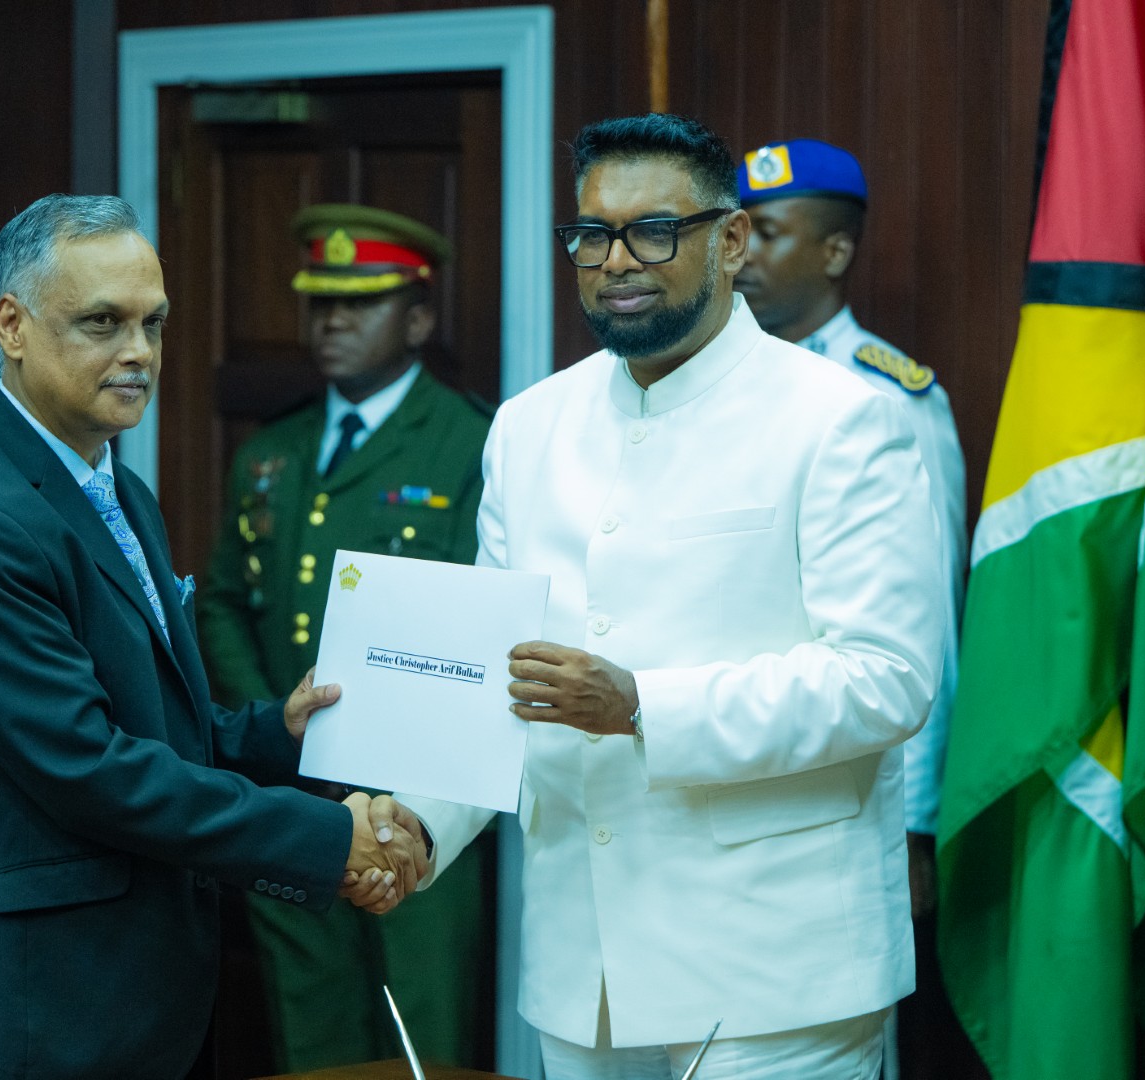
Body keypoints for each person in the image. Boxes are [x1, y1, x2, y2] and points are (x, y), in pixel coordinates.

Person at [388, 114, 945, 1079]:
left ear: (730, 241)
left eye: (652, 231)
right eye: (591, 235)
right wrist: (416, 826)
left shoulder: (842, 418)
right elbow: (495, 675)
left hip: (774, 969)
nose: (616, 261)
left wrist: (644, 704)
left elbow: (885, 678)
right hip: (583, 967)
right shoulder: (530, 427)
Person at [0, 194, 423, 1080]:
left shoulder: (116, 489)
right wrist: (329, 840)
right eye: (103, 322)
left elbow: (154, 728)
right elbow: (89, 768)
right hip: (24, 1013)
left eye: (152, 323)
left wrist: (277, 735)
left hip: (134, 998)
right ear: (12, 327)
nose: (138, 352)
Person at [197, 204, 494, 1071]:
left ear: (419, 319)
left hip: (418, 804)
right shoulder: (270, 452)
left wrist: (386, 775)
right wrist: (285, 734)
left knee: (422, 1037)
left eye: (360, 304)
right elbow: (223, 603)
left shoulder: (470, 443)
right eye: (321, 303)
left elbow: (477, 626)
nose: (332, 322)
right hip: (293, 801)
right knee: (311, 1039)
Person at [731, 138, 968, 914]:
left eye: (768, 234)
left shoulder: (889, 396)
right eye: (736, 232)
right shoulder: (713, 386)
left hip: (854, 784)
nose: (742, 254)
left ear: (834, 252)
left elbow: (925, 625)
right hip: (730, 764)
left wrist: (915, 819)